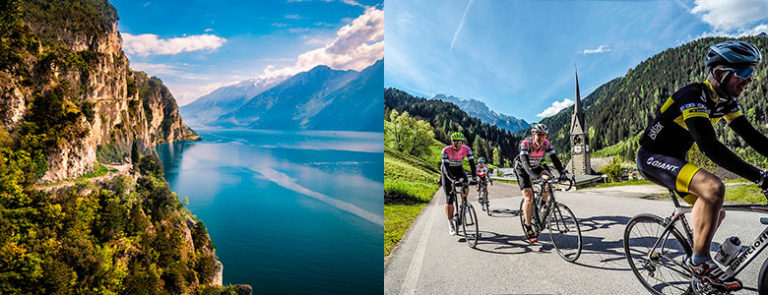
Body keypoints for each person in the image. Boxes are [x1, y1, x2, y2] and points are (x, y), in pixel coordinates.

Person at [636, 40, 768, 293]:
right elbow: (708, 145)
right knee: (713, 188)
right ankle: (699, 260)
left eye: (752, 73)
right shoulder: (692, 96)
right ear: (720, 73)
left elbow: (752, 137)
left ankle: (697, 269)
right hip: (652, 157)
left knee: (716, 211)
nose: (749, 80)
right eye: (745, 73)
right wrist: (760, 177)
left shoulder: (725, 102)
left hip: (675, 159)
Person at [514, 123, 568, 243]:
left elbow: (555, 159)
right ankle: (528, 227)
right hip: (523, 169)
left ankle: (543, 205)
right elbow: (525, 163)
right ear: (533, 134)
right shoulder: (526, 144)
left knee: (549, 179)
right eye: (539, 134)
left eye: (544, 135)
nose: (542, 137)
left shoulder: (546, 144)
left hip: (536, 166)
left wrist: (562, 173)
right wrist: (533, 176)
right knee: (528, 197)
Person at [441, 132, 477, 236]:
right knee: (449, 197)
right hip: (447, 172)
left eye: (459, 142)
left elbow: (472, 164)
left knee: (465, 185)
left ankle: (464, 203)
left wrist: (474, 177)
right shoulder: (446, 150)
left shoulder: (467, 149)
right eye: (454, 141)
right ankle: (450, 223)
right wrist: (453, 180)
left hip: (458, 169)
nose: (457, 144)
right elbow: (446, 168)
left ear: (462, 142)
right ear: (451, 142)